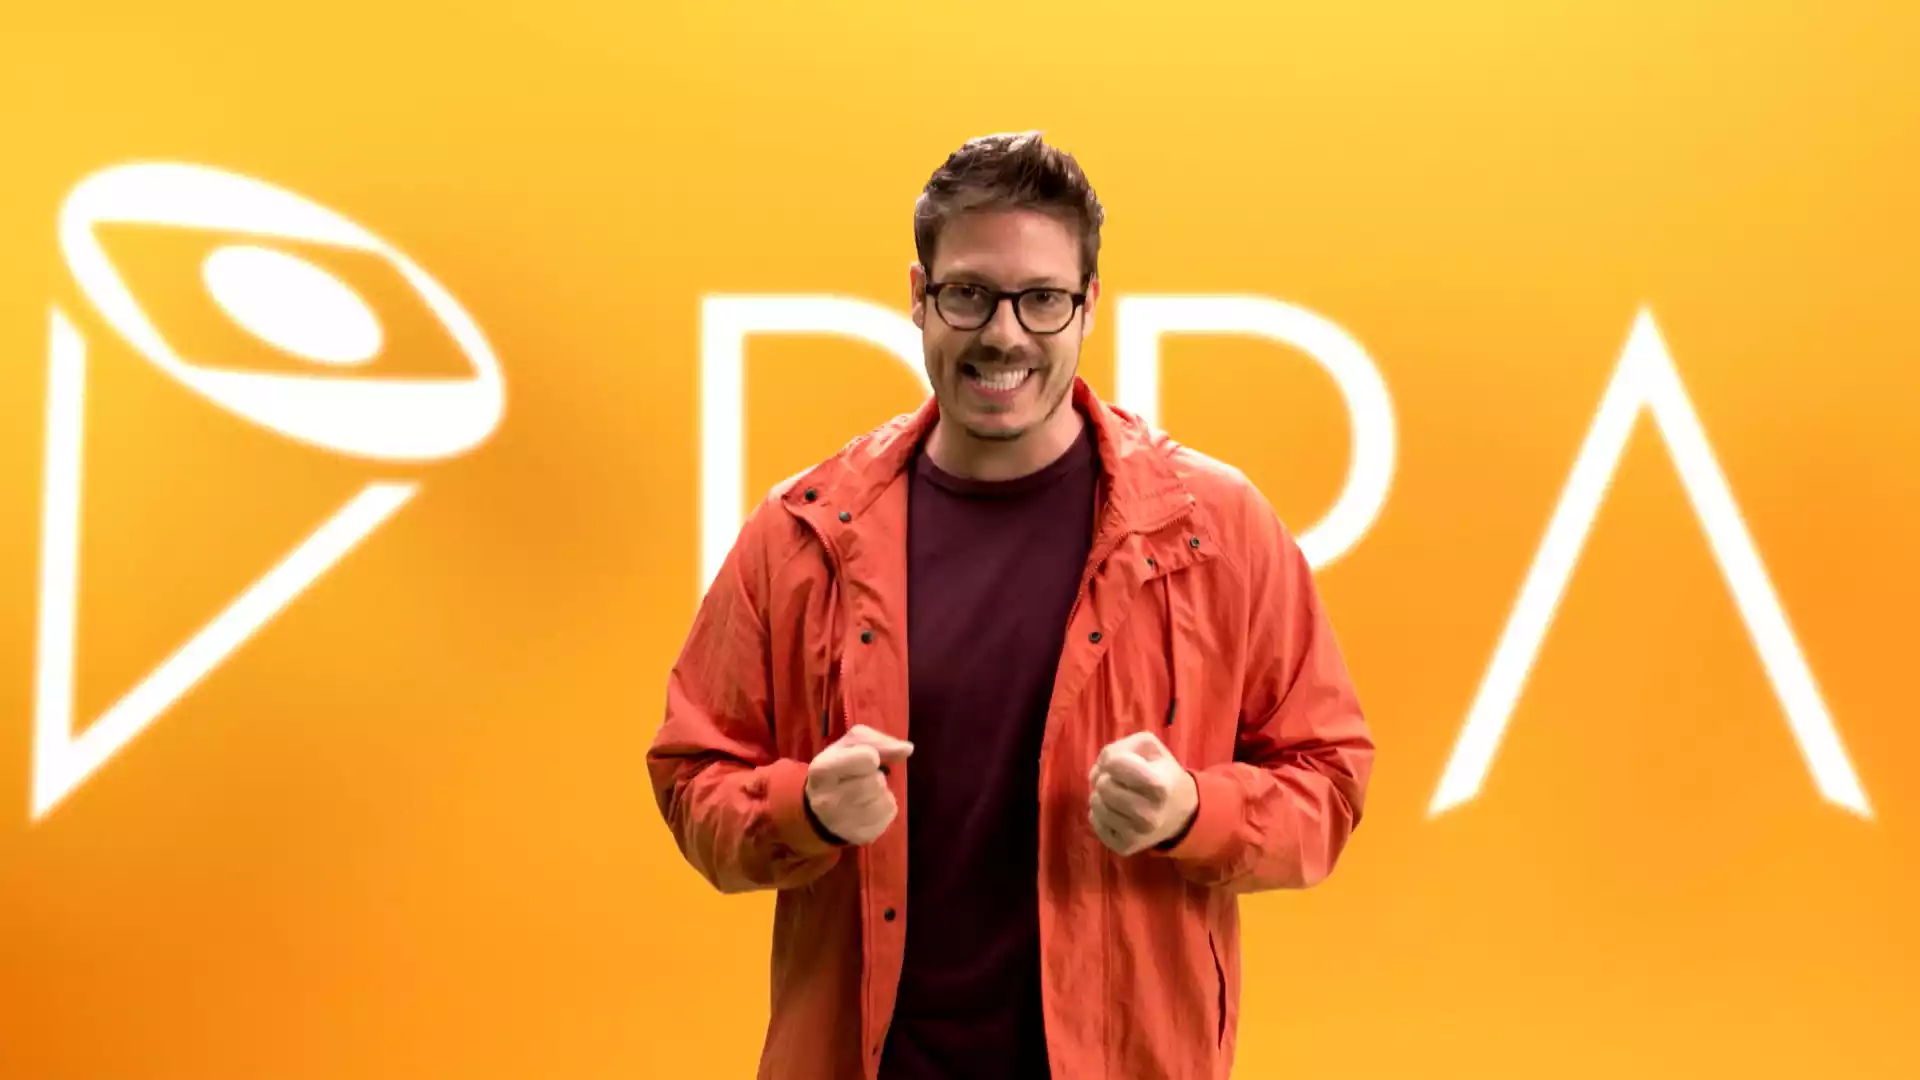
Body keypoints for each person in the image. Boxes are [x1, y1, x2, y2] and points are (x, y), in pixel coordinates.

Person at [648, 131, 1374, 1080]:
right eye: (969, 294)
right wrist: (802, 808)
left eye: (1040, 299)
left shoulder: (1215, 529)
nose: (1003, 334)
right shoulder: (802, 534)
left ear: (1088, 308)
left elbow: (1331, 781)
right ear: (918, 297)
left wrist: (1195, 809)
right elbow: (691, 773)